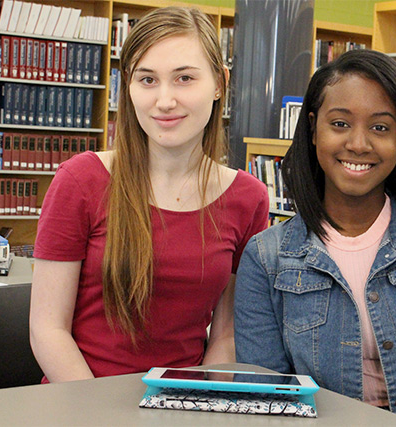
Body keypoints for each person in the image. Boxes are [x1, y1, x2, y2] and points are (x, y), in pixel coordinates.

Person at [234, 49, 396, 426]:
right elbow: (266, 392)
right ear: (313, 128)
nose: (359, 144)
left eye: (380, 128)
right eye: (340, 124)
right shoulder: (266, 258)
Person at [30, 6, 269, 382]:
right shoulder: (80, 180)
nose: (165, 100)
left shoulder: (248, 198)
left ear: (220, 84)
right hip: (80, 404)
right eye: (147, 80)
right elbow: (48, 330)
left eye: (185, 78)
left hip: (183, 406)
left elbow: (226, 334)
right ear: (127, 85)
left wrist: (199, 403)